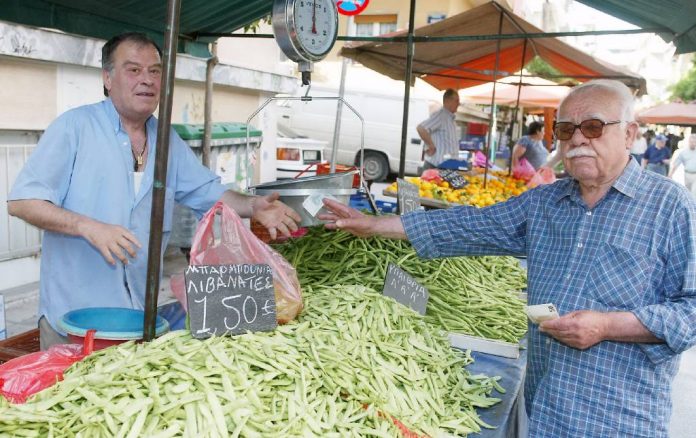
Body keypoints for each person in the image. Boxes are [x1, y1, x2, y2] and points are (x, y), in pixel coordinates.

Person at [319, 79, 696, 437]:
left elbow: (691, 311)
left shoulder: (671, 206)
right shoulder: (547, 202)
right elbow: (470, 225)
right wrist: (371, 224)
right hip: (547, 407)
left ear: (629, 134)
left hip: (619, 417)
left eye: (593, 127)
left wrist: (608, 325)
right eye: (565, 130)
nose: (578, 139)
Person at [7, 33, 301, 350]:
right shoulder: (74, 128)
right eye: (133, 70)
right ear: (107, 77)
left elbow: (207, 191)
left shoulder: (166, 140)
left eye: (155, 71)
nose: (146, 80)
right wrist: (88, 227)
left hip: (137, 318)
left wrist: (254, 204)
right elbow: (22, 201)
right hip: (74, 322)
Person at [417, 88, 459, 170]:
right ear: (448, 101)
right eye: (456, 101)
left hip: (448, 166)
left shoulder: (450, 119)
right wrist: (431, 145)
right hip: (436, 166)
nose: (458, 104)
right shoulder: (441, 116)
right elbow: (421, 128)